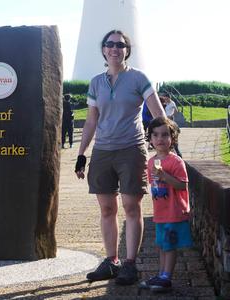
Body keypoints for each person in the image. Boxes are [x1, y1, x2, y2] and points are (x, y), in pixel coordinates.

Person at [75, 29, 165, 285]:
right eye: (110, 44)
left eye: (120, 45)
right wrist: (81, 154)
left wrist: (165, 146)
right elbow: (91, 120)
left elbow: (157, 111)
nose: (115, 49)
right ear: (103, 49)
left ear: (127, 50)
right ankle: (111, 261)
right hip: (103, 151)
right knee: (106, 208)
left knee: (130, 207)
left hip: (131, 149)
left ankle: (129, 264)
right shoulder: (95, 82)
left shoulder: (138, 78)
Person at [139, 116, 192, 292]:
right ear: (150, 138)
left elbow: (182, 185)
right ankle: (161, 273)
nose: (160, 139)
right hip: (160, 212)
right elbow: (153, 184)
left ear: (172, 138)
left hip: (174, 211)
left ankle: (166, 278)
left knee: (169, 245)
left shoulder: (176, 161)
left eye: (164, 135)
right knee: (161, 245)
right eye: (155, 135)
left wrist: (164, 176)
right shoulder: (151, 161)